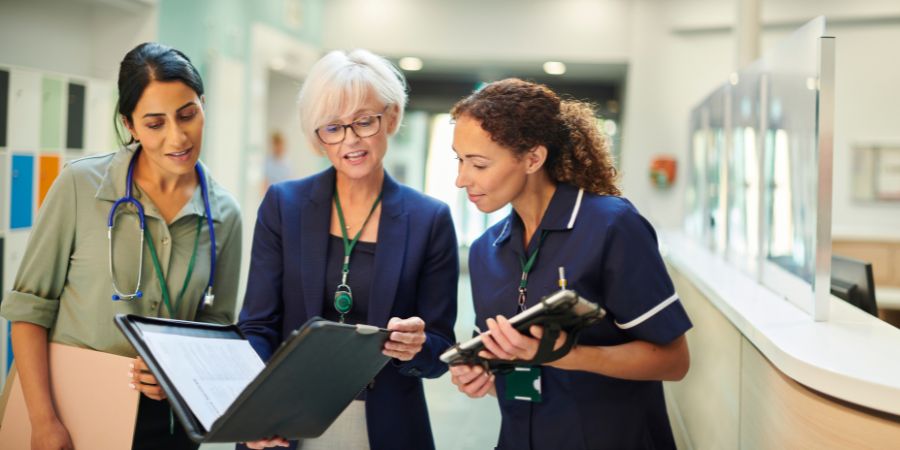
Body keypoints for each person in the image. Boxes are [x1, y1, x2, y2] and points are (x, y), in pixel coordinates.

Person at [0, 42, 242, 450]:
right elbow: (28, 310)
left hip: (167, 422)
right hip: (70, 412)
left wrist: (177, 372)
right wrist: (44, 422)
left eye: (187, 114)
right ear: (129, 125)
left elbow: (216, 325)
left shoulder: (224, 215)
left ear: (203, 104)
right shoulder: (80, 187)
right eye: (154, 123)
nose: (177, 136)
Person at [449, 78, 692, 450]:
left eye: (478, 164)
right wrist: (485, 377)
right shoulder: (486, 250)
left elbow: (674, 361)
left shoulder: (611, 226)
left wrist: (568, 355)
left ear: (533, 158)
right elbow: (516, 374)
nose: (462, 179)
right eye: (459, 160)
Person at [238, 49, 458, 450]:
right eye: (333, 127)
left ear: (390, 118)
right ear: (317, 137)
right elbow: (256, 325)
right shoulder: (283, 206)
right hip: (286, 422)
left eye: (364, 121)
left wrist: (417, 346)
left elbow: (440, 348)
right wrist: (256, 409)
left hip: (383, 424)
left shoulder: (430, 219)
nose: (350, 140)